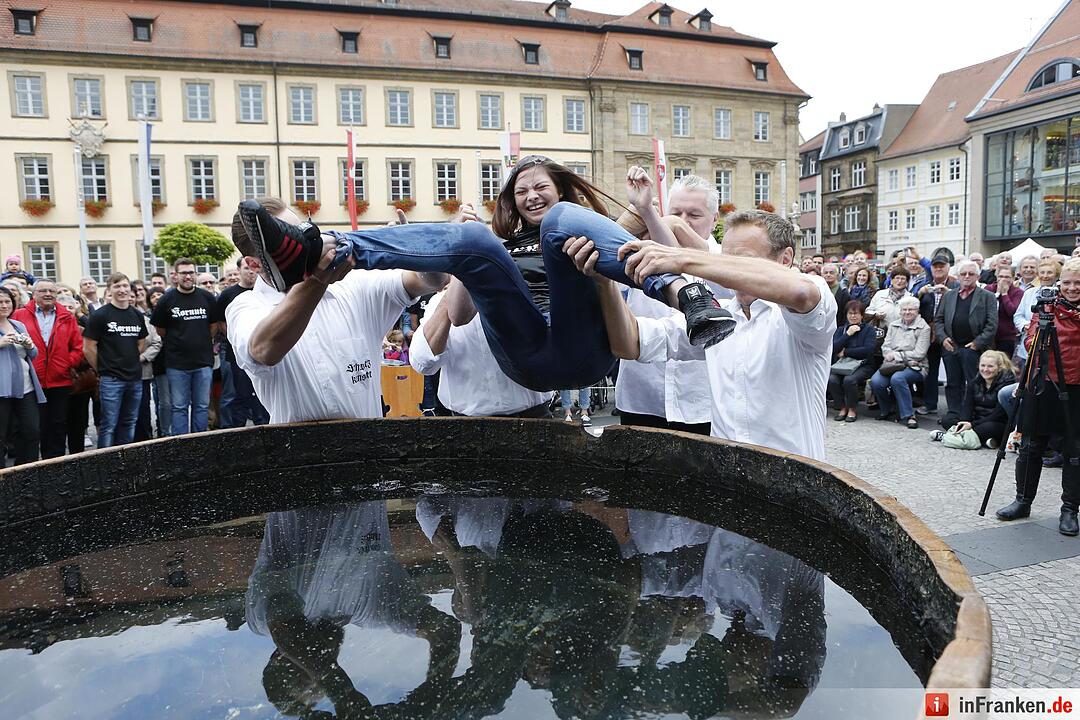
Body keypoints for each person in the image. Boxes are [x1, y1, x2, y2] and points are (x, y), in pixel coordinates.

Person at [235, 157, 735, 393]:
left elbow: (651, 235)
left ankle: (686, 293)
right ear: (511, 201)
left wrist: (628, 235)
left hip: (582, 353)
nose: (532, 196)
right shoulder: (502, 243)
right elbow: (459, 312)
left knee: (563, 226)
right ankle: (329, 249)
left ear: (559, 187)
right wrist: (461, 258)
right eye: (521, 191)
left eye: (542, 186)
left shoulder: (582, 226)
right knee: (475, 242)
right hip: (524, 357)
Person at [567, 207, 836, 460]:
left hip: (797, 483)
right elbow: (631, 343)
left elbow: (800, 293)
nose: (730, 272)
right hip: (731, 481)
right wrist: (604, 283)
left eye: (743, 261)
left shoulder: (806, 299)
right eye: (727, 261)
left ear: (785, 259)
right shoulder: (720, 316)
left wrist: (682, 259)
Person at [226, 197, 449, 423]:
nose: (305, 245)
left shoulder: (355, 286)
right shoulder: (246, 307)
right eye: (289, 242)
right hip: (296, 454)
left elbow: (434, 281)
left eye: (303, 233)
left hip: (368, 449)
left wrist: (417, 251)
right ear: (254, 264)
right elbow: (264, 350)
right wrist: (315, 282)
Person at [613, 174, 717, 435]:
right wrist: (643, 212)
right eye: (675, 213)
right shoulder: (640, 253)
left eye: (694, 215)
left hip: (702, 401)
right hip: (642, 396)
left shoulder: (725, 260)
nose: (682, 222)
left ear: (714, 219)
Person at [995, 258, 1080, 536]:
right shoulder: (1046, 306)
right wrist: (1041, 333)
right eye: (1067, 282)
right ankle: (1023, 501)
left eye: (1077, 283)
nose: (1071, 288)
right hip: (1042, 383)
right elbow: (1030, 340)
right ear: (1059, 282)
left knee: (1074, 450)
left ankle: (1069, 510)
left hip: (1076, 387)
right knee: (1030, 444)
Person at [410, 285, 554, 418]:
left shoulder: (523, 288)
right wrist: (451, 296)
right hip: (466, 426)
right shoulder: (439, 301)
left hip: (534, 418)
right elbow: (423, 364)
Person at [11, 279, 84, 459]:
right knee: (34, 426)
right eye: (43, 290)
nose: (48, 294)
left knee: (58, 424)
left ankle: (56, 464)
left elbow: (77, 347)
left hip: (60, 380)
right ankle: (33, 465)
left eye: (52, 291)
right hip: (32, 381)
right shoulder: (20, 315)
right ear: (34, 294)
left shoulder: (66, 316)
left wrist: (67, 364)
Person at [150, 258, 218, 435]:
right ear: (175, 275)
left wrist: (200, 340)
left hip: (203, 362)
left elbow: (213, 326)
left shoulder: (207, 298)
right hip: (177, 364)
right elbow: (160, 329)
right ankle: (181, 445)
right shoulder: (166, 300)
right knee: (179, 407)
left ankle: (200, 441)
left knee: (202, 406)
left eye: (190, 272)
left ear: (195, 274)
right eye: (183, 273)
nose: (187, 276)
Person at [81, 273, 148, 448]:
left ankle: (123, 462)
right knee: (109, 425)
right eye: (117, 286)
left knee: (129, 422)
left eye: (125, 286)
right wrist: (102, 368)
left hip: (134, 378)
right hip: (111, 379)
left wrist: (130, 359)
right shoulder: (100, 315)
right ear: (109, 290)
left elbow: (142, 343)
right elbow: (88, 348)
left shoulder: (137, 315)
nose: (122, 290)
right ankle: (106, 462)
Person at [211, 258, 270, 428]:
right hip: (236, 355)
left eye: (253, 268)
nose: (251, 271)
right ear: (239, 270)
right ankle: (236, 431)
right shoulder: (228, 295)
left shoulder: (265, 291)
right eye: (246, 268)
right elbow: (221, 322)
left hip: (264, 352)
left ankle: (265, 426)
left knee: (262, 396)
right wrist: (239, 339)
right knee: (239, 396)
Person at [935, 260, 998, 418]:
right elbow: (938, 320)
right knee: (952, 383)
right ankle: (954, 413)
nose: (967, 276)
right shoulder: (948, 295)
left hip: (973, 348)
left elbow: (992, 324)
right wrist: (943, 338)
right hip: (951, 346)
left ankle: (971, 414)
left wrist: (977, 343)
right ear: (958, 276)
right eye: (963, 274)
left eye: (971, 273)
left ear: (977, 275)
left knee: (973, 383)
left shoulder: (987, 296)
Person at [869, 296, 931, 429]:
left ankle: (909, 415)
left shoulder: (924, 328)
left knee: (898, 378)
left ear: (917, 311)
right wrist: (890, 355)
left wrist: (895, 355)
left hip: (917, 367)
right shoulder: (893, 324)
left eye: (911, 310)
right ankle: (887, 409)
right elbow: (885, 346)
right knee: (876, 381)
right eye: (904, 310)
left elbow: (919, 354)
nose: (907, 312)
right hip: (893, 365)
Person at [932, 350, 1015, 448]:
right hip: (975, 420)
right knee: (947, 419)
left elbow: (998, 415)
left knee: (988, 428)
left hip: (995, 422)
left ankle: (947, 437)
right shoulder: (975, 382)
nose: (985, 369)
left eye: (990, 366)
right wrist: (964, 422)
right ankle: (981, 440)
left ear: (999, 368)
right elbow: (967, 407)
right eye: (983, 365)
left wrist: (971, 424)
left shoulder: (1006, 385)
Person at [0, 286, 45, 464]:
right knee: (1, 435)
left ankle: (27, 472)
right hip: (2, 389)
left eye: (7, 301)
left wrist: (29, 345)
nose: (4, 305)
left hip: (26, 386)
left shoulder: (18, 325)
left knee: (31, 431)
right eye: (0, 302)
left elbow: (33, 354)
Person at [916, 254, 958, 415]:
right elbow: (911, 306)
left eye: (942, 266)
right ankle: (930, 404)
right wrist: (919, 293)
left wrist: (949, 293)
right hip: (929, 334)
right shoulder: (924, 285)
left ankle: (954, 408)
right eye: (935, 266)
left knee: (952, 373)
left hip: (949, 335)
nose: (938, 269)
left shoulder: (956, 285)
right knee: (930, 372)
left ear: (948, 267)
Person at [828, 300, 877, 423]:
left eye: (856, 313)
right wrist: (847, 334)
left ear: (862, 315)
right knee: (831, 379)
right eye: (850, 313)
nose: (853, 316)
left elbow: (868, 350)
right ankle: (842, 407)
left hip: (863, 365)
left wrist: (846, 352)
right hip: (843, 366)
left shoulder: (868, 330)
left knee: (849, 380)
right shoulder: (841, 330)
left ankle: (852, 408)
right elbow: (833, 348)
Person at [986, 265, 1024, 357]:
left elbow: (1012, 312)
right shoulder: (988, 289)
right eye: (1001, 276)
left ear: (1013, 278)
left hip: (1006, 336)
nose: (1003, 280)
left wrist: (1004, 294)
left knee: (1003, 365)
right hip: (988, 335)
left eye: (1007, 277)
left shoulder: (1018, 292)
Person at [821, 263, 850, 328]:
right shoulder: (819, 289)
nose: (828, 275)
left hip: (837, 326)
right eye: (826, 273)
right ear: (822, 275)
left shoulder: (843, 292)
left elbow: (845, 314)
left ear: (837, 275)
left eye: (831, 273)